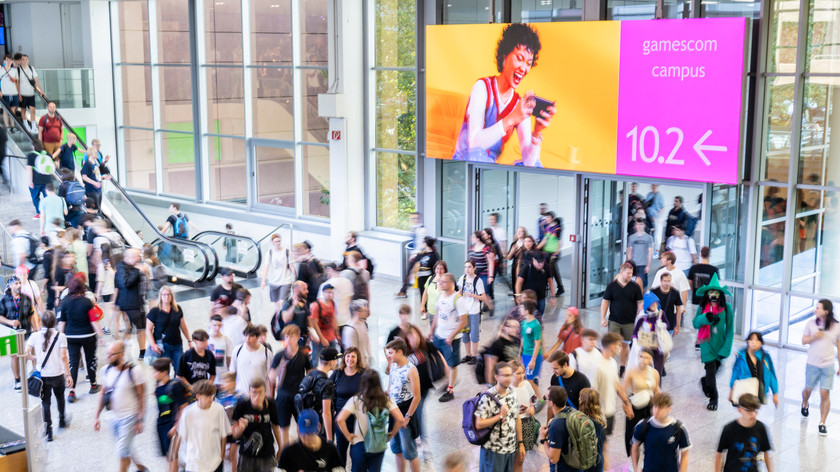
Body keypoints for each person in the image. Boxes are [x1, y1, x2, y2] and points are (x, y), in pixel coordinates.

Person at [451, 23, 554, 166]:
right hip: (464, 163)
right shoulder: (482, 88)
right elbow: (474, 145)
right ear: (505, 56)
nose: (523, 68)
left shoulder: (519, 104)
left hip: (489, 168)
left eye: (528, 63)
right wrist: (511, 119)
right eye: (519, 58)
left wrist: (537, 132)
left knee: (537, 164)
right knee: (477, 156)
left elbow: (530, 163)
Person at [93, 341, 148, 472]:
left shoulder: (134, 371)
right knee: (125, 447)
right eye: (107, 354)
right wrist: (96, 416)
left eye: (112, 354)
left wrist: (140, 419)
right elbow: (102, 394)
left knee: (122, 452)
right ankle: (141, 467)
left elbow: (142, 396)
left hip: (129, 417)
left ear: (122, 354)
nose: (108, 357)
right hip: (113, 418)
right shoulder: (105, 371)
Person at [335, 368, 403, 472]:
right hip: (378, 445)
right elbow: (400, 419)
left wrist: (348, 435)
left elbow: (340, 419)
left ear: (362, 383)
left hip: (359, 444)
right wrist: (392, 434)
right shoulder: (386, 400)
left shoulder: (356, 400)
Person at [25, 311, 71, 441]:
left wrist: (36, 358)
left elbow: (25, 353)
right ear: (54, 322)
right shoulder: (61, 336)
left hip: (42, 376)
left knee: (46, 403)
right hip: (57, 374)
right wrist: (69, 375)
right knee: (60, 398)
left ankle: (49, 431)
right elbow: (63, 357)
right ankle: (62, 420)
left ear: (41, 322)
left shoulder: (34, 336)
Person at [693, 273, 735, 411]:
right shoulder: (703, 307)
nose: (713, 294)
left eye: (716, 292)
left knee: (715, 371)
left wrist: (726, 350)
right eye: (711, 292)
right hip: (706, 344)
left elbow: (730, 330)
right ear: (707, 294)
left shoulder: (727, 308)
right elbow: (695, 324)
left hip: (720, 345)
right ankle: (714, 398)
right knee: (711, 372)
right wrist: (706, 317)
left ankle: (705, 382)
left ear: (720, 294)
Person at [56, 276, 101, 401]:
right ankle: (93, 385)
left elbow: (62, 323)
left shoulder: (65, 302)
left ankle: (72, 391)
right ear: (83, 287)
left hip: (71, 337)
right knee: (90, 360)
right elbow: (94, 321)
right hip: (88, 335)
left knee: (73, 363)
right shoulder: (87, 302)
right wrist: (101, 335)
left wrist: (60, 337)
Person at [268, 324, 311, 452]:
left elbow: (309, 373)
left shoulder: (303, 354)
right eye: (287, 336)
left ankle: (302, 450)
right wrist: (277, 375)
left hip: (299, 396)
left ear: (298, 337)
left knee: (301, 425)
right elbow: (271, 376)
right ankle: (285, 453)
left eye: (292, 336)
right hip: (283, 395)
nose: (289, 339)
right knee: (283, 427)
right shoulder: (279, 355)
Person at [474, 362, 524, 472]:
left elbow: (517, 418)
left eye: (510, 375)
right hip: (493, 451)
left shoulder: (513, 393)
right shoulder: (487, 397)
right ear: (496, 376)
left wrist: (520, 443)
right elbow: (479, 424)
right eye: (505, 375)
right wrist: (500, 415)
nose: (508, 378)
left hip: (510, 448)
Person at [800, 298, 840, 436]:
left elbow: (839, 347)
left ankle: (822, 423)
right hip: (812, 363)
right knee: (808, 390)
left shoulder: (836, 327)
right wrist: (814, 337)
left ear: (826, 312)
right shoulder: (811, 323)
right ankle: (805, 403)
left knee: (825, 393)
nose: (815, 310)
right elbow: (804, 341)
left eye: (818, 308)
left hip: (828, 365)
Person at [429, 273, 469, 402]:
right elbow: (437, 314)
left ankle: (450, 390)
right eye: (440, 282)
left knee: (452, 364)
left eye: (443, 282)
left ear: (451, 283)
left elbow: (464, 321)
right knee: (438, 360)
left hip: (451, 339)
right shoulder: (440, 296)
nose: (440, 284)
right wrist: (432, 330)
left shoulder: (458, 299)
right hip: (438, 335)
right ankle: (447, 380)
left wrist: (451, 336)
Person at [177, 380, 232, 472]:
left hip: (215, 463)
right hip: (194, 464)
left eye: (212, 395)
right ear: (198, 396)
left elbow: (224, 435)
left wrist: (221, 457)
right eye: (207, 396)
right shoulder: (188, 412)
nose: (211, 399)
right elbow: (183, 436)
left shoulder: (219, 409)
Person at [385, 338, 422, 472]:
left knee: (409, 451)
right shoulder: (393, 366)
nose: (388, 356)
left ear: (399, 352)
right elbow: (390, 389)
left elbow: (417, 396)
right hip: (393, 411)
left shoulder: (411, 370)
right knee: (397, 449)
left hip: (405, 411)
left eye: (390, 353)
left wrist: (408, 416)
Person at [600, 262, 643, 375]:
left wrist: (640, 311)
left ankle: (623, 366)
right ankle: (611, 365)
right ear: (621, 272)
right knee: (612, 344)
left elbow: (640, 301)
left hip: (629, 321)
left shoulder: (635, 286)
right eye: (628, 273)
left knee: (625, 344)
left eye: (631, 273)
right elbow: (605, 302)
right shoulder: (612, 286)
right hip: (614, 320)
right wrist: (602, 318)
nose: (630, 275)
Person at [631, 392, 691, 472]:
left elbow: (685, 454)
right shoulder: (643, 426)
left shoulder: (679, 428)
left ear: (669, 409)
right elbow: (635, 447)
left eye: (661, 407)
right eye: (655, 406)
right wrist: (636, 468)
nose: (656, 410)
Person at [232, 378, 282, 472]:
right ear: (249, 393)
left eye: (260, 392)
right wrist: (241, 429)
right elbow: (235, 435)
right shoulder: (242, 406)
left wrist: (280, 446)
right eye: (254, 392)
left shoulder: (271, 404)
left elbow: (275, 427)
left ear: (265, 393)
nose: (257, 396)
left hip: (267, 452)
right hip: (247, 455)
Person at [539, 386, 594, 471]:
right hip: (578, 465)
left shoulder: (556, 426)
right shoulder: (573, 412)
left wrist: (543, 438)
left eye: (546, 398)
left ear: (551, 403)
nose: (545, 400)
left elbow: (554, 459)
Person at [715, 393, 773, 472]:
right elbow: (719, 454)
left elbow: (766, 453)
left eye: (755, 411)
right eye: (749, 411)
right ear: (740, 409)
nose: (753, 415)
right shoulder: (729, 429)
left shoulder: (761, 428)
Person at [592, 332, 632, 438]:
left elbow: (617, 385)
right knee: (598, 444)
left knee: (604, 443)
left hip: (610, 410)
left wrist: (627, 403)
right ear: (611, 346)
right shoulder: (597, 366)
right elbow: (592, 392)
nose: (620, 348)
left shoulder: (613, 362)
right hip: (599, 414)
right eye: (618, 345)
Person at [151, 357, 187, 472]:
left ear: (164, 373)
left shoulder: (174, 386)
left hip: (172, 424)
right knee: (167, 454)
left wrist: (176, 426)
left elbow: (183, 406)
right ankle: (182, 466)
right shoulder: (157, 384)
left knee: (172, 455)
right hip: (161, 423)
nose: (153, 373)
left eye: (155, 371)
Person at [278, 409, 344, 472]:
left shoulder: (330, 450)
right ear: (298, 428)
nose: (307, 438)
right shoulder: (288, 453)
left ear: (319, 427)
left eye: (310, 433)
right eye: (303, 434)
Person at [622, 348, 660, 457]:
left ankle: (647, 459)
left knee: (649, 434)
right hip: (635, 406)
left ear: (651, 360)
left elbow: (656, 390)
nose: (643, 360)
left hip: (649, 406)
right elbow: (623, 392)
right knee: (633, 436)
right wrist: (627, 407)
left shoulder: (654, 373)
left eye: (646, 357)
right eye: (641, 356)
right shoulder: (631, 372)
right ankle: (633, 462)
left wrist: (659, 407)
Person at [330, 347, 365, 466]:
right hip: (341, 419)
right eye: (348, 356)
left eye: (353, 356)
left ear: (358, 358)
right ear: (344, 358)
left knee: (357, 451)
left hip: (358, 419)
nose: (350, 359)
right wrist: (333, 409)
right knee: (341, 449)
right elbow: (329, 392)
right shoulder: (338, 373)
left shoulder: (363, 374)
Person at [298, 347, 339, 443]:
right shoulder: (326, 383)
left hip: (309, 424)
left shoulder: (309, 375)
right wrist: (329, 438)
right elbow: (326, 413)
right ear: (331, 362)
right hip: (321, 427)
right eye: (336, 360)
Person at [730, 331, 779, 407]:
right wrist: (731, 390)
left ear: (761, 343)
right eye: (751, 339)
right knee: (747, 410)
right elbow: (735, 374)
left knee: (752, 411)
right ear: (748, 341)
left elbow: (771, 374)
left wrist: (775, 393)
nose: (754, 342)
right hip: (744, 390)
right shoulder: (741, 357)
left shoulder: (765, 357)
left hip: (759, 390)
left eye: (757, 340)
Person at [146, 285, 190, 370]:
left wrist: (189, 340)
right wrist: (153, 344)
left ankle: (175, 383)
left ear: (172, 296)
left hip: (177, 344)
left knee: (179, 370)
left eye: (168, 294)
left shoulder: (177, 308)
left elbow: (183, 326)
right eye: (164, 295)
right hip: (163, 346)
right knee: (164, 371)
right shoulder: (154, 311)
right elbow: (148, 329)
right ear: (160, 296)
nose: (166, 297)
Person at [115, 248, 146, 359]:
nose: (139, 258)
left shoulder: (134, 267)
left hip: (138, 302)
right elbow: (125, 283)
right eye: (137, 256)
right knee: (130, 328)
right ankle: (117, 352)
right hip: (129, 304)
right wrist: (138, 271)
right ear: (130, 257)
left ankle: (143, 352)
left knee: (141, 328)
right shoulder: (121, 267)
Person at [631, 293, 669, 375]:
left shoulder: (661, 314)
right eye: (652, 303)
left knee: (657, 372)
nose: (654, 305)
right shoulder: (643, 316)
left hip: (659, 347)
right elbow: (635, 332)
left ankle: (657, 387)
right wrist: (636, 344)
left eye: (656, 302)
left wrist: (661, 325)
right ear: (647, 304)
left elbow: (667, 325)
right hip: (646, 347)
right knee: (645, 371)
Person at [508, 360, 536, 472]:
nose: (522, 376)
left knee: (521, 458)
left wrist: (532, 408)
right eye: (518, 373)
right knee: (512, 458)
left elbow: (533, 400)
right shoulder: (507, 389)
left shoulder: (526, 384)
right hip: (513, 426)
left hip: (526, 424)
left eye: (523, 372)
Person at [458, 259, 486, 364]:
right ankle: (468, 354)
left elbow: (483, 297)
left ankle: (474, 355)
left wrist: (473, 295)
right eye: (465, 267)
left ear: (474, 268)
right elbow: (458, 291)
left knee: (474, 334)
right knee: (465, 334)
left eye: (469, 267)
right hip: (464, 311)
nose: (467, 269)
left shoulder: (478, 281)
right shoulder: (462, 278)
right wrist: (459, 292)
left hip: (474, 311)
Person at [230, 325, 272, 395]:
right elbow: (232, 373)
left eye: (251, 336)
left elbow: (271, 377)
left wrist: (271, 395)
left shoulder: (267, 353)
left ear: (257, 337)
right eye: (246, 336)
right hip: (241, 395)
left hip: (260, 395)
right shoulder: (237, 350)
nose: (247, 339)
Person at [515, 245, 556, 314]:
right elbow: (519, 282)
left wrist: (553, 297)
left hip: (541, 296)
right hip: (528, 298)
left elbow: (551, 282)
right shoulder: (527, 267)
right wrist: (518, 295)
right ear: (533, 260)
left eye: (542, 262)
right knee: (529, 315)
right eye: (538, 262)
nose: (540, 265)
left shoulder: (546, 267)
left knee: (540, 315)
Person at [261, 233, 296, 313]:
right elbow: (266, 267)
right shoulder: (269, 253)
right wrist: (263, 281)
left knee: (282, 302)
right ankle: (279, 319)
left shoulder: (287, 251)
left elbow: (291, 266)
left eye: (279, 241)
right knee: (276, 303)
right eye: (276, 241)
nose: (278, 243)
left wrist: (295, 278)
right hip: (274, 281)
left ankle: (282, 318)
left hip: (285, 280)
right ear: (272, 242)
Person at [397, 212, 428, 297]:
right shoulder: (415, 228)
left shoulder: (422, 230)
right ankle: (403, 290)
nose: (414, 220)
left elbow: (420, 244)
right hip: (415, 253)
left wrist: (414, 255)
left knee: (410, 272)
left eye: (416, 218)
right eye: (413, 218)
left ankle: (403, 290)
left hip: (418, 254)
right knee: (410, 272)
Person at [482, 318, 521, 386]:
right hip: (502, 380)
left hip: (512, 378)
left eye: (517, 327)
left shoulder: (516, 341)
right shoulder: (497, 344)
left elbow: (517, 359)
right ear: (504, 327)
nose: (516, 330)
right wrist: (490, 385)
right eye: (513, 327)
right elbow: (490, 367)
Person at [577, 388, 607, 472]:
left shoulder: (591, 423)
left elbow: (589, 445)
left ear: (585, 401)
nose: (578, 399)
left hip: (591, 466)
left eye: (580, 397)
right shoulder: (597, 419)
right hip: (596, 462)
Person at [310, 283, 340, 363]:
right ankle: (314, 374)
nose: (330, 295)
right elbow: (314, 324)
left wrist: (337, 334)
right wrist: (322, 338)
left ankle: (334, 374)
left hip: (331, 336)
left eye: (331, 292)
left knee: (335, 358)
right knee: (316, 359)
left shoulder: (332, 303)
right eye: (328, 292)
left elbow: (333, 318)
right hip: (319, 338)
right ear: (323, 293)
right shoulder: (316, 305)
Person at [343, 299, 373, 368]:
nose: (367, 313)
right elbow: (351, 351)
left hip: (363, 362)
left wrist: (369, 355)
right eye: (364, 311)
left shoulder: (363, 323)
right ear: (356, 312)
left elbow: (366, 340)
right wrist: (360, 364)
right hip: (356, 365)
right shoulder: (350, 330)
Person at [651, 272, 683, 337]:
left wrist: (677, 326)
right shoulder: (654, 292)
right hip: (656, 325)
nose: (667, 283)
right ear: (660, 281)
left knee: (667, 346)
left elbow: (678, 310)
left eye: (668, 281)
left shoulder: (675, 293)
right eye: (665, 281)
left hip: (669, 324)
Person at [627, 218, 654, 288]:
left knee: (643, 284)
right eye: (637, 224)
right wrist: (629, 263)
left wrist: (648, 265)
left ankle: (642, 297)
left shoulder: (648, 238)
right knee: (632, 283)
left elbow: (650, 252)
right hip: (634, 264)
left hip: (643, 264)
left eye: (641, 224)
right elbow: (629, 251)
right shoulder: (631, 237)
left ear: (644, 225)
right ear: (634, 225)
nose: (639, 226)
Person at [207, 314, 233, 385]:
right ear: (210, 325)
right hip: (208, 377)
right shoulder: (206, 339)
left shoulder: (226, 339)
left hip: (222, 377)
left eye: (219, 325)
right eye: (214, 325)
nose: (217, 328)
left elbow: (229, 359)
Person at [413, 236, 440, 301]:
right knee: (422, 296)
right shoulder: (421, 254)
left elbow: (436, 267)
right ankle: (423, 308)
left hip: (429, 278)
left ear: (426, 244)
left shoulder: (434, 255)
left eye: (423, 242)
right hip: (421, 278)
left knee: (430, 295)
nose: (422, 243)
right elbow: (416, 262)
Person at [1, 53, 19, 130]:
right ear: (4, 61)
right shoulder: (1, 70)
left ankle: (12, 126)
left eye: (10, 60)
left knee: (13, 110)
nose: (8, 61)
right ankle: (7, 127)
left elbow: (17, 82)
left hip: (14, 93)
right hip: (5, 93)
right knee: (6, 110)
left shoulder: (14, 70)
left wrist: (18, 93)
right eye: (7, 60)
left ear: (12, 61)